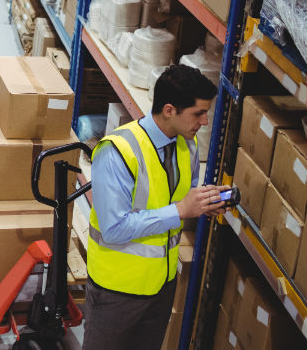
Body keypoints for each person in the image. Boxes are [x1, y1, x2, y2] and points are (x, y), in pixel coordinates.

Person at [82, 65, 230, 350]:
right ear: (170, 110)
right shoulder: (117, 151)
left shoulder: (188, 144)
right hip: (117, 289)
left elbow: (177, 199)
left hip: (162, 283)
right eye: (199, 113)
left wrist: (201, 205)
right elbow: (114, 228)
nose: (205, 120)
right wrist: (181, 210)